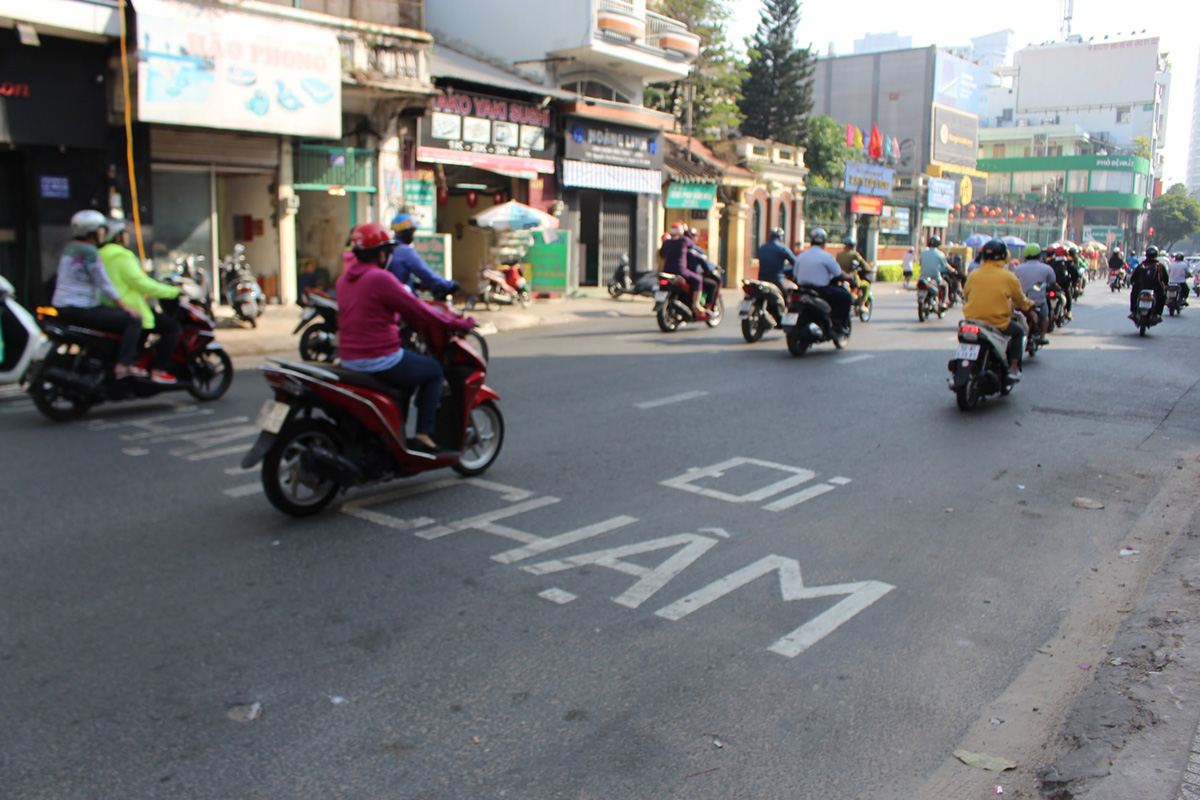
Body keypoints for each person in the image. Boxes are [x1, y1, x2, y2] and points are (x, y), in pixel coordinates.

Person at [336, 222, 475, 454]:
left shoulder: (343, 281)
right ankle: (423, 435)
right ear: (381, 253)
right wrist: (460, 323)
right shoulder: (380, 278)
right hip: (378, 359)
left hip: (348, 360)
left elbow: (369, 310)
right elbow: (420, 310)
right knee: (432, 371)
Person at [51, 210, 144, 379]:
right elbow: (104, 283)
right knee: (134, 320)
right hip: (81, 309)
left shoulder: (70, 248)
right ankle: (124, 364)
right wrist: (125, 307)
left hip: (63, 307)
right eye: (101, 229)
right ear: (92, 231)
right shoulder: (89, 252)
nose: (104, 233)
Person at [99, 219, 183, 385]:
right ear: (117, 236)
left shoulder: (100, 254)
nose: (127, 237)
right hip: (131, 308)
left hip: (108, 308)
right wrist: (172, 292)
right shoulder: (121, 256)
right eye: (124, 233)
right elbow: (141, 283)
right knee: (172, 327)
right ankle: (158, 370)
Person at [962, 239, 1036, 381]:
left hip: (971, 321)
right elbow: (1019, 300)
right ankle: (1013, 368)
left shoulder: (973, 275)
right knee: (1019, 332)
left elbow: (966, 295)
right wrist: (1029, 305)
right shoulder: (1008, 277)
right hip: (997, 322)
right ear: (1004, 256)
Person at [791, 228, 855, 333]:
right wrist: (850, 277)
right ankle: (838, 325)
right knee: (846, 296)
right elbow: (839, 273)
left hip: (802, 289)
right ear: (824, 242)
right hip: (821, 290)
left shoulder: (801, 257)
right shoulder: (826, 257)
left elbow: (795, 274)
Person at [388, 213, 459, 297]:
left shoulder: (389, 248)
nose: (412, 236)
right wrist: (449, 285)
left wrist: (416, 285)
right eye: (411, 233)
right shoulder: (405, 251)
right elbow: (426, 274)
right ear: (403, 233)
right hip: (402, 298)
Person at [1013, 243, 1059, 346]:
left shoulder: (1019, 269)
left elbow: (1014, 283)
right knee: (1044, 316)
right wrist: (1058, 289)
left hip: (1021, 301)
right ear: (1039, 255)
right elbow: (1053, 283)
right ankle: (1042, 336)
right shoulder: (1046, 268)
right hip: (1038, 301)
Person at [659, 221, 704, 316]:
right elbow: (692, 241)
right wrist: (687, 230)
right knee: (698, 280)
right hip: (681, 270)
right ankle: (696, 304)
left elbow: (662, 253)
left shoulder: (667, 242)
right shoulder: (683, 241)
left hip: (667, 270)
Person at [1128, 245, 1168, 322]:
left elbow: (1133, 277)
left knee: (1134, 294)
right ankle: (1158, 314)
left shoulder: (1141, 265)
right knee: (1162, 297)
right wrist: (1165, 286)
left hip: (1141, 288)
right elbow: (1165, 279)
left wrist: (1132, 283)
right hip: (1156, 289)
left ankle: (1133, 312)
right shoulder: (1160, 266)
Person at [836, 237, 873, 307]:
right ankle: (862, 305)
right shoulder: (854, 255)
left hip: (840, 277)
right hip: (852, 278)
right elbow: (864, 264)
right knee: (866, 285)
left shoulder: (839, 255)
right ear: (853, 246)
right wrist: (869, 269)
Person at [918, 236, 951, 307]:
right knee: (945, 285)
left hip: (923, 277)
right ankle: (943, 303)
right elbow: (945, 266)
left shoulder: (923, 253)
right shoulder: (940, 254)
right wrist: (952, 270)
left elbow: (920, 264)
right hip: (935, 277)